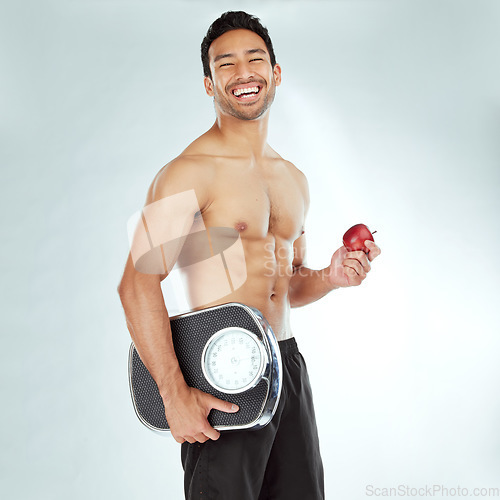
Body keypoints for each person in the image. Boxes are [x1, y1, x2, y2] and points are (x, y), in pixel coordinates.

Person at [118, 10, 381, 500]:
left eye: (255, 58)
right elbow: (136, 283)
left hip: (286, 365)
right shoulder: (188, 171)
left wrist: (331, 276)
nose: (243, 73)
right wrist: (175, 397)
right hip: (222, 372)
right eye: (226, 64)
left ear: (276, 73)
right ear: (208, 83)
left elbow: (291, 283)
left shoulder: (293, 179)